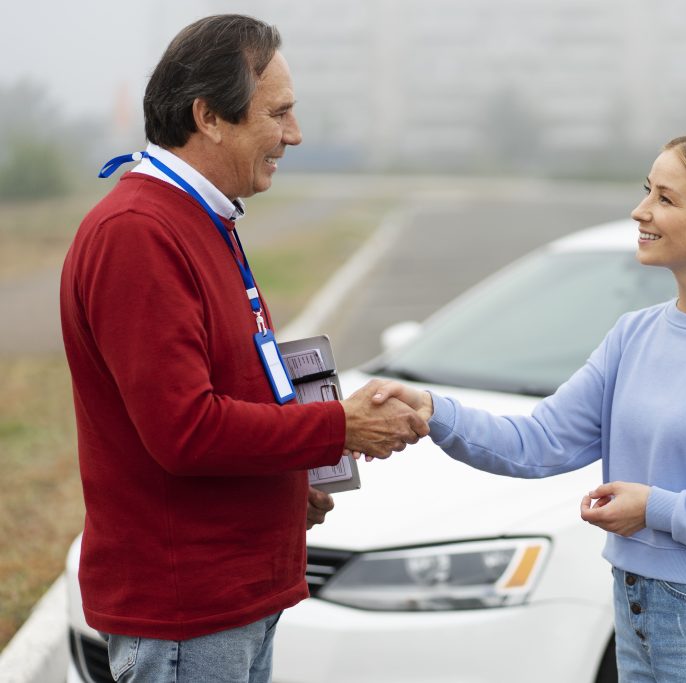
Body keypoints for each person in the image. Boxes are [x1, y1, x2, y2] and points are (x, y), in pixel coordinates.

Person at [372, 133, 686, 681]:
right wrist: (431, 410)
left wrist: (656, 508)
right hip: (635, 616)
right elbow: (537, 444)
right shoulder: (633, 334)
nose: (641, 211)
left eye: (666, 198)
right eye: (647, 192)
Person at [59, 14, 427, 683]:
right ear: (210, 116)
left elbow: (230, 386)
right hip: (189, 607)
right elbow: (185, 430)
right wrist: (338, 426)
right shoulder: (139, 233)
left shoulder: (202, 217)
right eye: (278, 114)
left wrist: (287, 480)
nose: (295, 134)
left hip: (229, 593)